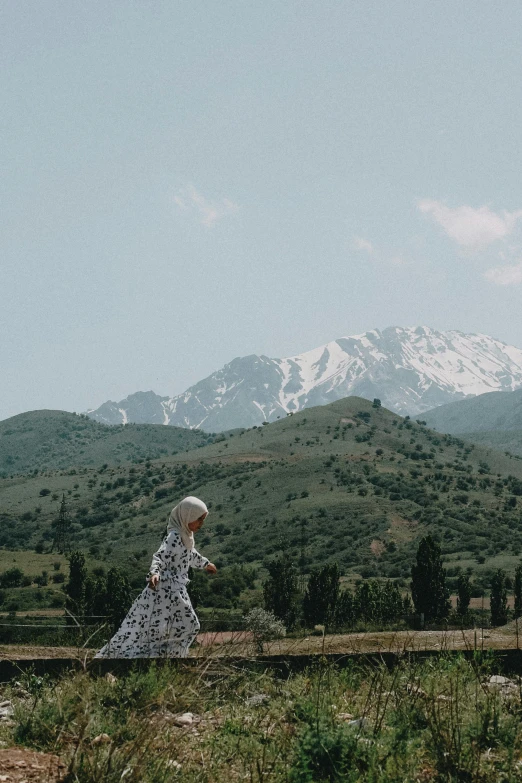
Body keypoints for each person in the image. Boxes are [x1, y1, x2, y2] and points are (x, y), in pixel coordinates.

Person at [95, 496, 216, 658]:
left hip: (176, 590)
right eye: (198, 519)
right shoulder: (174, 537)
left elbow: (191, 555)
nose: (201, 524)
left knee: (176, 627)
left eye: (202, 520)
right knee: (187, 625)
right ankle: (161, 657)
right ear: (187, 516)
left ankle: (165, 657)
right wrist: (154, 573)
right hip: (167, 590)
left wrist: (206, 564)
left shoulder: (186, 538)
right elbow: (160, 557)